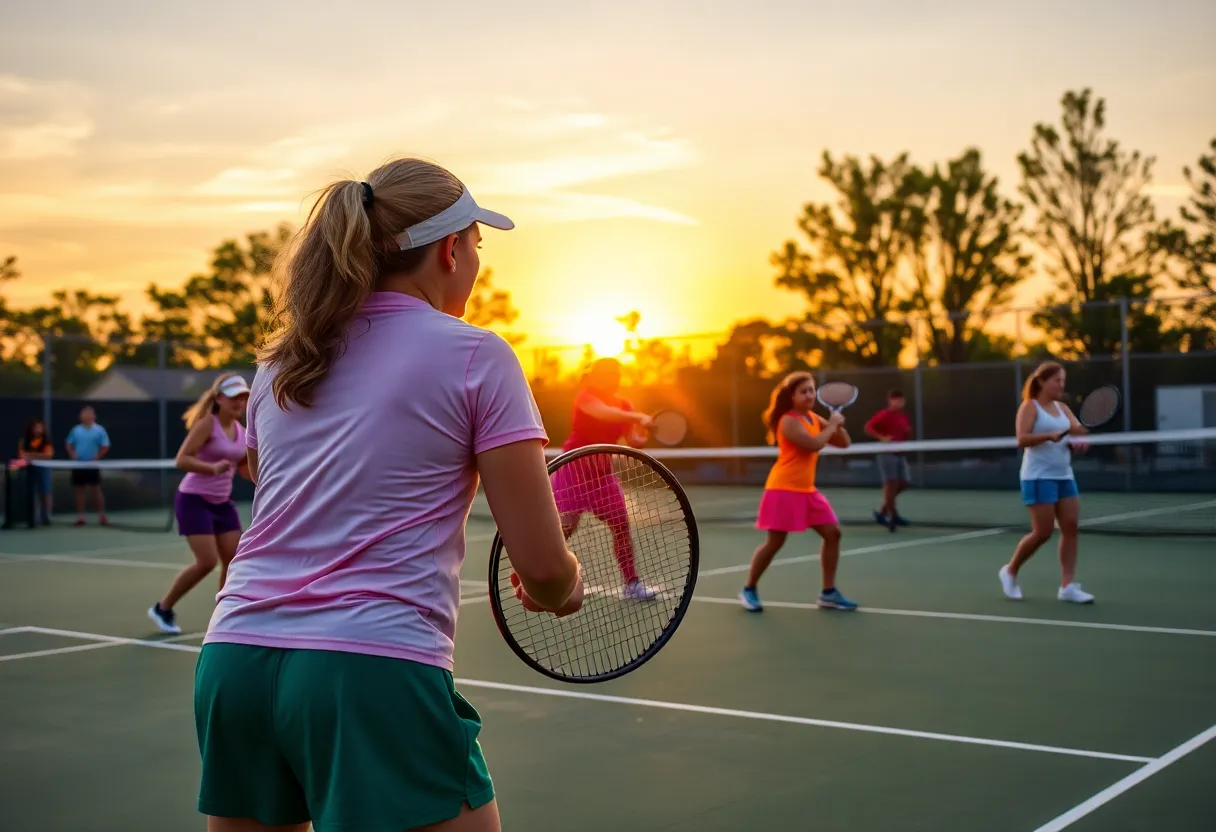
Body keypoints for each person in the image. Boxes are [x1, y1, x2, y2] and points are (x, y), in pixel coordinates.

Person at [194, 158, 584, 832]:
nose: (476, 264)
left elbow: (283, 487)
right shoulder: (477, 356)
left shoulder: (280, 362)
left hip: (234, 662)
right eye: (478, 247)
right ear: (449, 249)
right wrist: (562, 587)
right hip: (373, 671)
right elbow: (545, 568)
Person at [739, 371, 858, 613]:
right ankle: (749, 589)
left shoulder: (814, 419)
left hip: (807, 491)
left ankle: (828, 593)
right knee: (775, 543)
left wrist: (836, 423)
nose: (809, 395)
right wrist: (832, 424)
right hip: (783, 489)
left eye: (811, 390)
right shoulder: (788, 421)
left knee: (833, 534)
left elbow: (844, 443)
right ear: (791, 397)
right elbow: (814, 445)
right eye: (803, 391)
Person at [148, 373, 252, 635]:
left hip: (221, 502)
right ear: (218, 399)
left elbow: (244, 469)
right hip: (193, 500)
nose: (239, 402)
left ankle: (225, 615)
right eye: (233, 397)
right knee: (206, 562)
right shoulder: (207, 424)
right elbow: (182, 459)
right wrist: (212, 468)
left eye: (243, 397)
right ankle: (163, 607)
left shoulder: (244, 432)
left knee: (234, 561)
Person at [550, 357, 659, 601]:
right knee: (565, 529)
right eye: (609, 373)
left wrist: (646, 429)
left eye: (617, 374)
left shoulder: (625, 405)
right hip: (573, 471)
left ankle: (632, 585)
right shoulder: (586, 398)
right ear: (596, 375)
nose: (615, 378)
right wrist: (637, 417)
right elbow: (605, 414)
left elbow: (635, 442)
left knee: (621, 527)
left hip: (603, 476)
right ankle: (538, 578)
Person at [998, 361, 1094, 604]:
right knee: (1043, 532)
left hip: (1064, 475)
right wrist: (1048, 436)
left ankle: (1068, 586)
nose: (1061, 385)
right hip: (1038, 476)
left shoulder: (1062, 408)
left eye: (1063, 381)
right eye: (1057, 380)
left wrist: (1079, 441)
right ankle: (1010, 571)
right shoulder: (1030, 407)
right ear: (1042, 381)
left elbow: (1078, 431)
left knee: (1070, 526)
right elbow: (1022, 439)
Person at [864, 389, 913, 531]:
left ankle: (882, 512)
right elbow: (868, 427)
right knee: (891, 484)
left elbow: (906, 432)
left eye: (901, 400)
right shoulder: (884, 415)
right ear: (890, 401)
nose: (899, 402)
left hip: (900, 454)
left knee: (904, 483)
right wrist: (882, 437)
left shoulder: (903, 417)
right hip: (887, 454)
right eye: (895, 399)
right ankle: (893, 516)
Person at [64, 406, 109, 526]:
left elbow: (105, 445)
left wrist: (97, 457)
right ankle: (81, 517)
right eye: (84, 414)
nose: (87, 416)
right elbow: (68, 444)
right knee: (79, 491)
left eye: (89, 414)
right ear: (81, 417)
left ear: (94, 416)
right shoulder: (76, 430)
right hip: (78, 466)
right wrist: (73, 454)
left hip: (92, 466)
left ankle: (102, 516)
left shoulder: (99, 430)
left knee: (96, 490)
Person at [18, 417, 54, 525]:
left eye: (40, 427)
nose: (38, 429)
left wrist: (32, 455)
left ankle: (45, 516)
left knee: (45, 493)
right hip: (29, 470)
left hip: (43, 469)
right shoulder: (24, 440)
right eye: (36, 427)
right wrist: (32, 456)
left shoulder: (46, 440)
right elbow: (22, 455)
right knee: (32, 493)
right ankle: (33, 516)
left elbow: (48, 455)